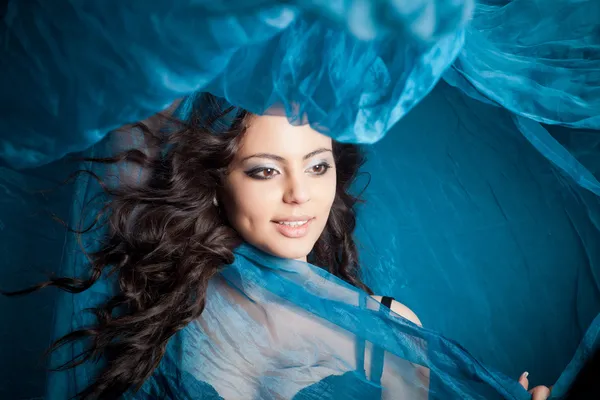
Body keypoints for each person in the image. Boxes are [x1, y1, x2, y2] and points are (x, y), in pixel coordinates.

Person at [4, 93, 547, 400]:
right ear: (217, 183)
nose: (299, 196)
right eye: (265, 171)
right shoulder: (181, 299)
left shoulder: (386, 329)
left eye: (317, 166)